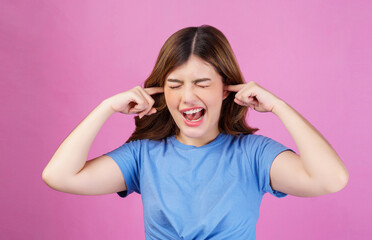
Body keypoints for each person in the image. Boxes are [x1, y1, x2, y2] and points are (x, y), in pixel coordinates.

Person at [42, 25, 349, 239]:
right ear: (161, 91)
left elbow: (331, 179)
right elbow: (59, 176)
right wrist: (105, 107)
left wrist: (279, 106)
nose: (187, 97)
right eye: (175, 85)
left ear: (226, 90)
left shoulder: (254, 155)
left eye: (202, 84)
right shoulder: (143, 155)